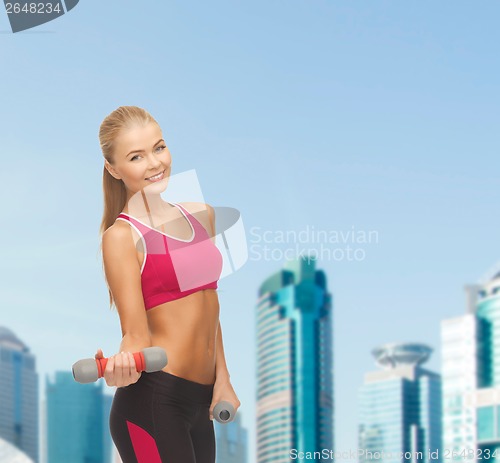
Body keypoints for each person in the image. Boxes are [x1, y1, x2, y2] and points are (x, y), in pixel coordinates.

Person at [96, 105, 240, 463]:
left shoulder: (200, 215)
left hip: (201, 400)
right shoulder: (121, 236)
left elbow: (208, 306)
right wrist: (122, 365)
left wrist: (223, 379)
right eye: (136, 157)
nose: (154, 163)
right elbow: (135, 333)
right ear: (114, 169)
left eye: (159, 148)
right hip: (153, 401)